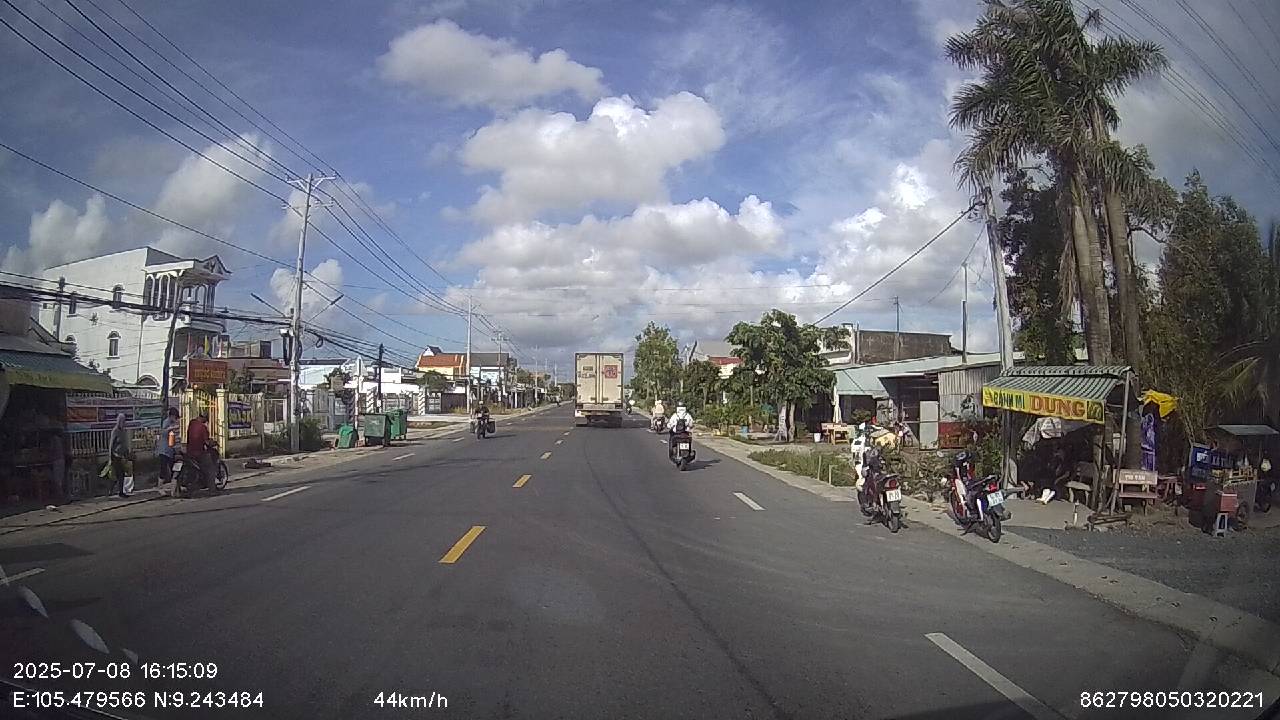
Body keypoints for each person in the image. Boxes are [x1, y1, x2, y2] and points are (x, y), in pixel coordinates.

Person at [186, 411, 216, 491]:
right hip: (199, 452)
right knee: (210, 467)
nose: (206, 421)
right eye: (206, 420)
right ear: (203, 418)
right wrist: (213, 443)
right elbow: (207, 442)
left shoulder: (191, 423)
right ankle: (212, 489)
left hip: (189, 452)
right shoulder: (203, 428)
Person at [109, 413, 132, 498]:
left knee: (119, 475)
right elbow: (111, 445)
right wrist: (110, 457)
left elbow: (124, 443)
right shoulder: (115, 431)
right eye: (122, 421)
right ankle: (118, 492)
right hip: (116, 456)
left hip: (122, 456)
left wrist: (127, 453)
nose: (124, 423)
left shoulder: (123, 431)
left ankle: (116, 491)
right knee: (119, 474)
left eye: (124, 421)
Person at [156, 407, 181, 486]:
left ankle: (171, 484)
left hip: (170, 450)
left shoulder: (172, 423)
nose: (176, 419)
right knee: (163, 468)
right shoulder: (166, 422)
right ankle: (160, 484)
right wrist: (171, 428)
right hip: (164, 450)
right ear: (172, 416)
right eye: (175, 417)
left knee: (172, 467)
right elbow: (164, 432)